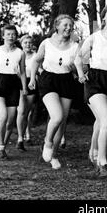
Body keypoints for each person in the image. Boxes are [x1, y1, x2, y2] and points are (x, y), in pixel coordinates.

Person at [75, 4, 107, 178]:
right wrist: (81, 74)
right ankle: (102, 162)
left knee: (102, 122)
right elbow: (78, 58)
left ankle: (93, 151)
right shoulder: (94, 37)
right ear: (103, 17)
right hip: (95, 80)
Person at [29, 15, 78, 170]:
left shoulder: (75, 45)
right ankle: (48, 142)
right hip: (48, 80)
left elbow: (82, 67)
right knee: (57, 116)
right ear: (57, 26)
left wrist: (76, 69)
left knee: (62, 123)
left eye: (71, 25)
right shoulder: (47, 43)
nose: (68, 28)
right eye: (65, 25)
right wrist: (31, 79)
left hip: (67, 81)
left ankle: (54, 156)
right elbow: (36, 60)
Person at [0, 25, 27, 159]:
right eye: (8, 34)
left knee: (10, 120)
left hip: (13, 85)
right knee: (2, 115)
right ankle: (0, 147)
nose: (11, 36)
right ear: (3, 36)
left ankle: (3, 147)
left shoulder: (20, 52)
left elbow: (23, 72)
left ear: (16, 36)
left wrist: (24, 88)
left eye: (13, 34)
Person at [16, 35, 38, 151]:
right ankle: (20, 138)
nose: (28, 45)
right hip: (18, 84)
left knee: (26, 113)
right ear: (21, 44)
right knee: (21, 111)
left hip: (31, 84)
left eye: (30, 43)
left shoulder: (35, 56)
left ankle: (25, 135)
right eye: (25, 43)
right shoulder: (18, 54)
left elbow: (39, 69)